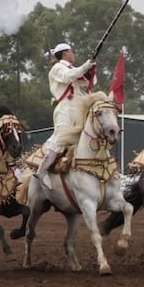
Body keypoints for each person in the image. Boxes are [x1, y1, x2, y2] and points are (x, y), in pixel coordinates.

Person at [36, 43, 96, 188]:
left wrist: (91, 69)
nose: (73, 54)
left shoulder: (72, 69)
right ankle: (42, 171)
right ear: (64, 53)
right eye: (71, 51)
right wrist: (85, 67)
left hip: (76, 109)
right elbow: (68, 77)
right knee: (61, 139)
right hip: (64, 108)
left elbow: (91, 82)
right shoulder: (57, 68)